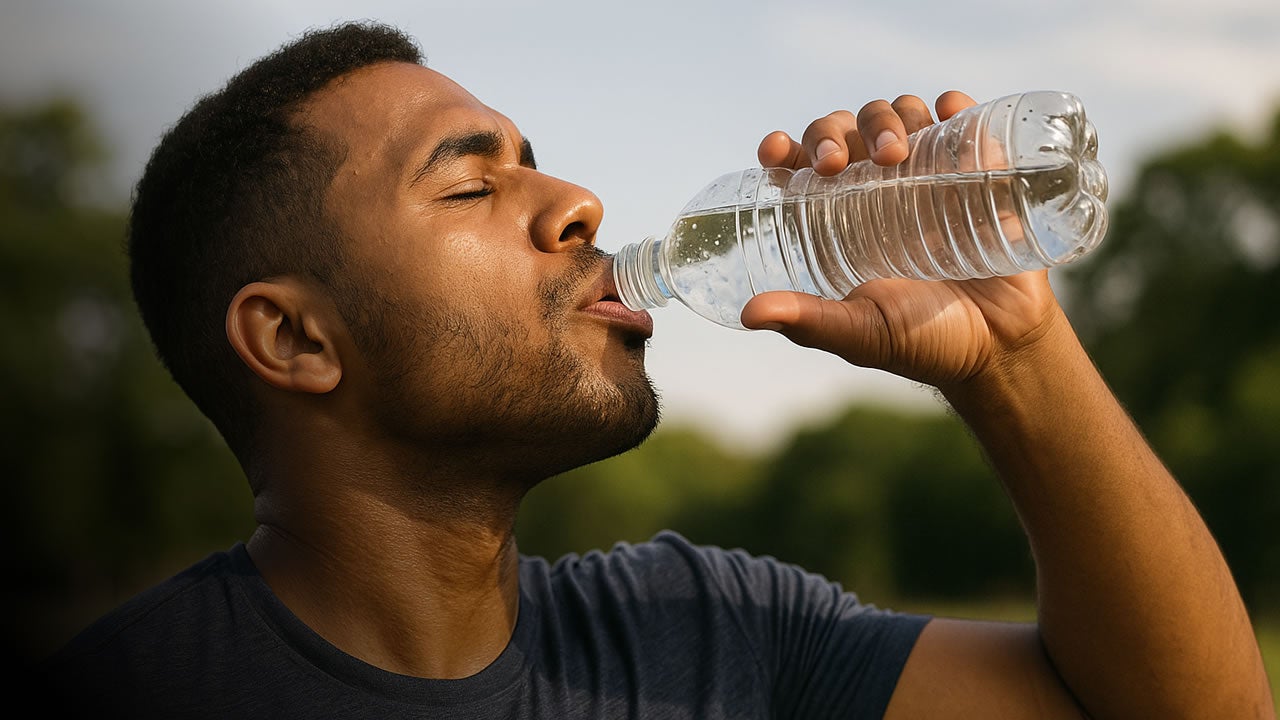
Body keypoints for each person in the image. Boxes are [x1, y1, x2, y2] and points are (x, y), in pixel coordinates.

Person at [37, 21, 1273, 720]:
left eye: (541, 162)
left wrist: (1013, 356)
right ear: (296, 340)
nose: (578, 203)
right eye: (470, 184)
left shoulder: (709, 639)